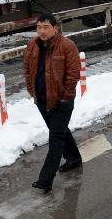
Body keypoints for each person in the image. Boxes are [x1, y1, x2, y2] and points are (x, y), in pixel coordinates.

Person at [23, 13, 83, 192]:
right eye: (39, 27)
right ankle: (74, 158)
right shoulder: (32, 45)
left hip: (62, 101)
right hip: (41, 99)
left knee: (55, 139)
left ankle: (45, 179)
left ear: (55, 28)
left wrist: (66, 97)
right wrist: (32, 91)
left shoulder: (67, 46)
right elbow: (27, 68)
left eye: (46, 27)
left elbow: (73, 73)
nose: (42, 31)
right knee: (59, 131)